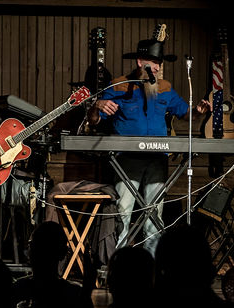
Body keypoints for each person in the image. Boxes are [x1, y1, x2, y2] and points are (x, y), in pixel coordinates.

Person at [87, 35, 210, 255]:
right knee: (123, 211)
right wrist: (98, 105)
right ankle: (119, 261)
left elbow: (185, 114)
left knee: (154, 213)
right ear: (140, 62)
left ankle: (152, 264)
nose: (157, 68)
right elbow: (94, 121)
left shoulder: (164, 88)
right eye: (153, 63)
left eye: (160, 64)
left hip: (156, 158)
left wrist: (198, 111)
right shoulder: (119, 85)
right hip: (126, 159)